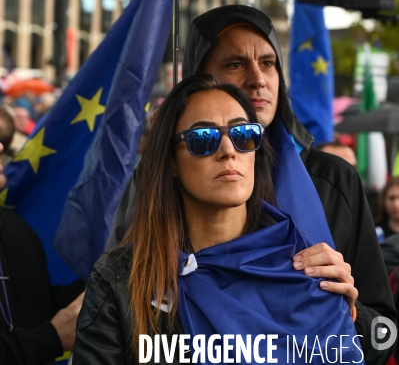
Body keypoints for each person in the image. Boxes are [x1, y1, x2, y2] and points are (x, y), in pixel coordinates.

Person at [108, 4, 396, 364]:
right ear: (200, 79)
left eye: (268, 63)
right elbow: (121, 307)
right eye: (235, 64)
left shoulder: (334, 181)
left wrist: (348, 314)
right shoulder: (155, 182)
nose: (257, 79)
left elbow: (386, 334)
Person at [73, 76, 364, 364]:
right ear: (171, 162)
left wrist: (349, 314)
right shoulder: (121, 278)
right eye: (203, 139)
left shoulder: (306, 267)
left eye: (243, 135)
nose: (228, 151)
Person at [0, 107, 84, 365]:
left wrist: (106, 285)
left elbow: (38, 305)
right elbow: (49, 330)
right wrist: (51, 337)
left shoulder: (14, 228)